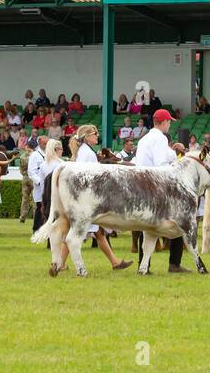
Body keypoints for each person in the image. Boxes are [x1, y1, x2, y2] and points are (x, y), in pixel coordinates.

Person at [71, 125, 132, 271]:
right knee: (76, 232)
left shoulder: (86, 152)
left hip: (86, 197)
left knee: (97, 232)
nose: (97, 136)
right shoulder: (87, 153)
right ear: (86, 137)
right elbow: (88, 176)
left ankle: (115, 262)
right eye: (94, 134)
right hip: (88, 198)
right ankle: (58, 263)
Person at [134, 109, 188, 273]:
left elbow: (165, 156)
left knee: (146, 226)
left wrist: (175, 152)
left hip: (142, 185)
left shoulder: (145, 139)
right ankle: (174, 263)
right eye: (169, 122)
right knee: (178, 222)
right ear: (164, 122)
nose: (170, 124)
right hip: (157, 186)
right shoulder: (159, 138)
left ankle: (144, 265)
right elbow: (161, 165)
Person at [26, 136, 51, 232]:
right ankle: (36, 229)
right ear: (39, 144)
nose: (46, 145)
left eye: (47, 143)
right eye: (44, 143)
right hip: (40, 186)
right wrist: (40, 182)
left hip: (49, 185)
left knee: (47, 207)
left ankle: (44, 229)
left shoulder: (49, 154)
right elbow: (31, 172)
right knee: (40, 206)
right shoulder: (35, 155)